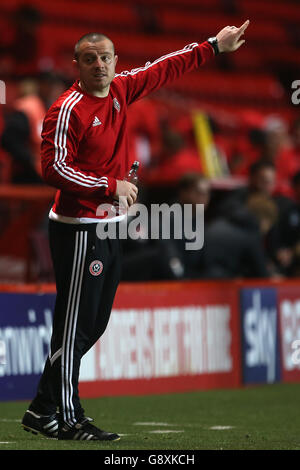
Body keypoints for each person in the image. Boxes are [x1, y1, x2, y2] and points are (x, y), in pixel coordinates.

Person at [21, 21, 250, 441]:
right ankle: (68, 417)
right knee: (74, 326)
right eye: (89, 59)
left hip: (108, 227)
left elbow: (165, 67)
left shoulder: (123, 90)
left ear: (115, 62)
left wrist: (214, 46)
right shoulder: (67, 108)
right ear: (76, 65)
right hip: (78, 228)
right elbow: (52, 169)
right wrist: (112, 186)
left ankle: (41, 408)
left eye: (105, 58)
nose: (99, 66)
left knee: (93, 324)